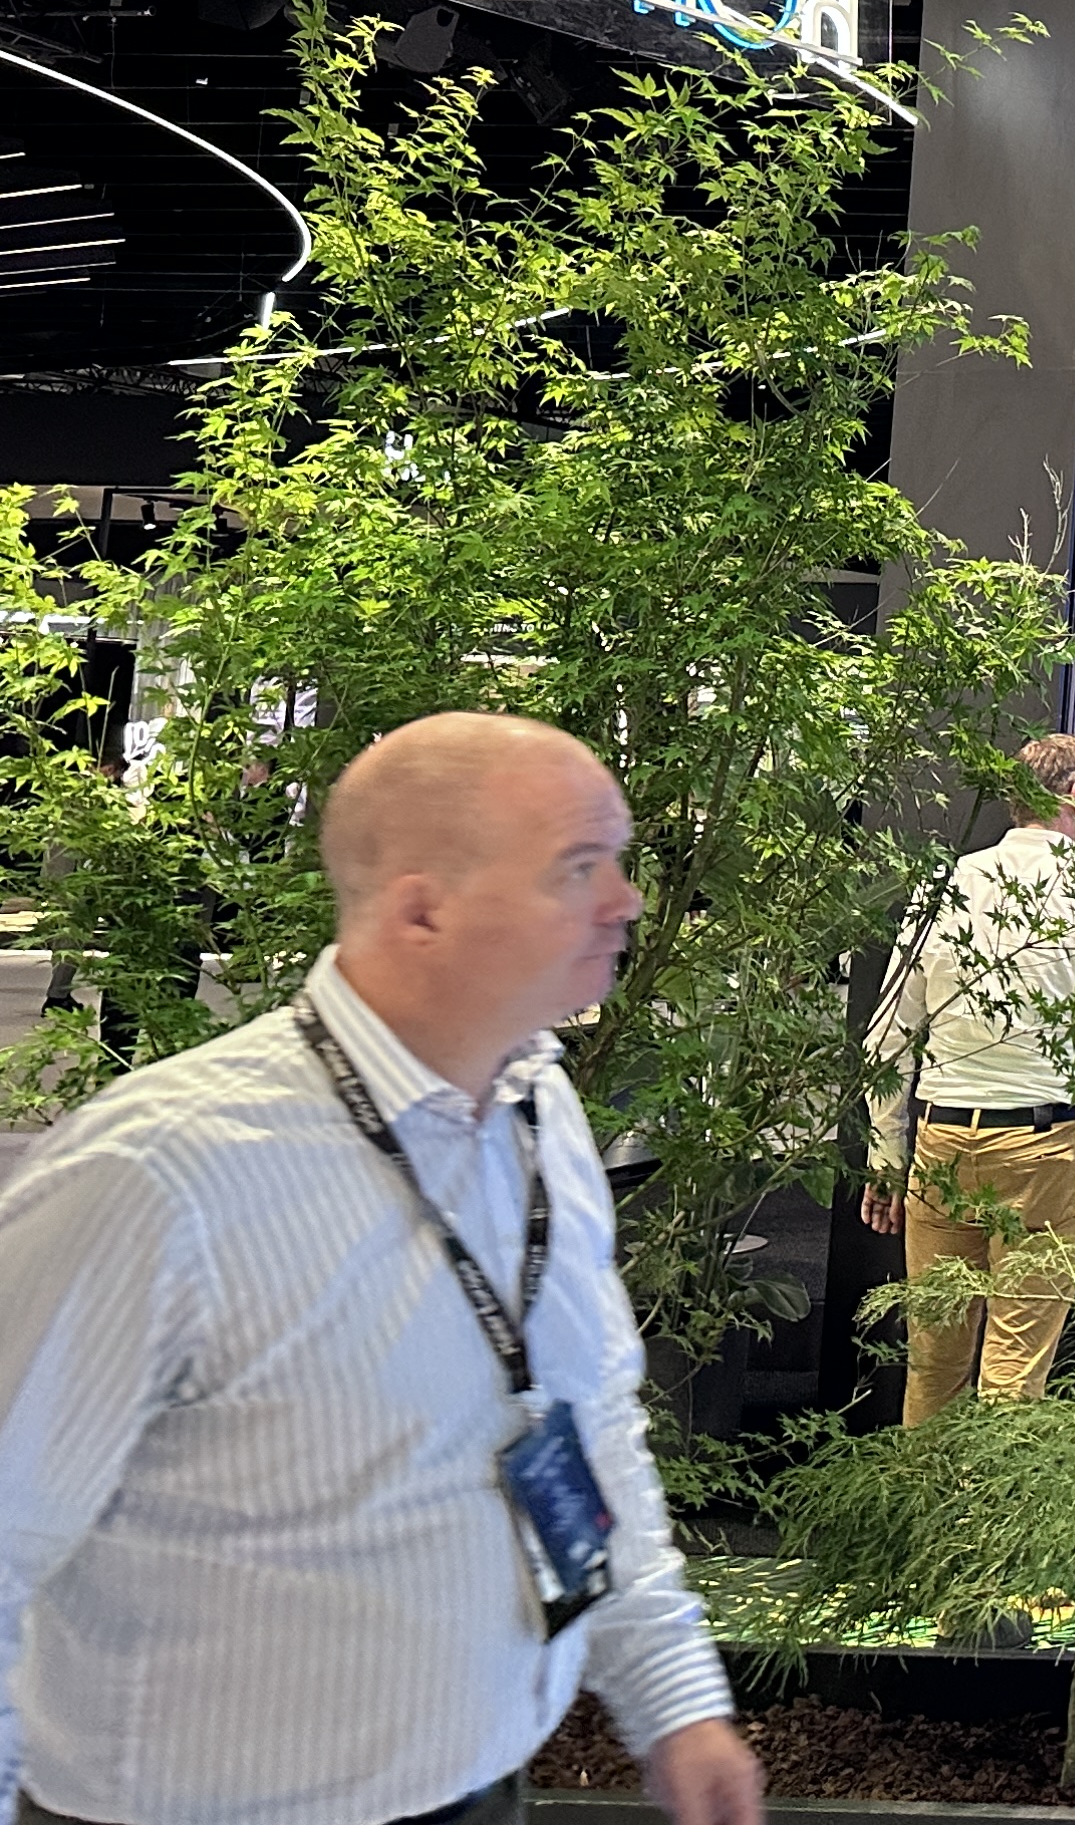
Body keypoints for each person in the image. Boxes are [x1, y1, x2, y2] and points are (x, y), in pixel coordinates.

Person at [0, 713, 764, 1825]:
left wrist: (676, 1703)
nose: (627, 900)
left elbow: (586, 1424)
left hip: (479, 1791)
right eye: (579, 866)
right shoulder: (160, 1176)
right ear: (422, 911)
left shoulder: (536, 1112)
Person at [856, 731, 1075, 1423]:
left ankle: (918, 1496)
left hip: (940, 1144)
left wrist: (885, 1156)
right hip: (1045, 1153)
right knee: (1015, 1370)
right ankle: (988, 1498)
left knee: (932, 1363)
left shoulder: (944, 889)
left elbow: (888, 1034)